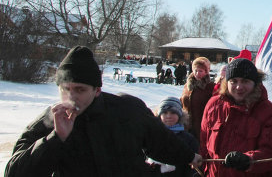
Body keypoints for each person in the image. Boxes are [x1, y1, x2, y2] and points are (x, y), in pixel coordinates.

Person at [5, 46, 202, 177]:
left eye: (80, 90)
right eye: (65, 89)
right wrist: (55, 138)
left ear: (97, 90)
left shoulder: (126, 109)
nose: (71, 97)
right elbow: (14, 171)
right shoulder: (50, 121)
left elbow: (160, 141)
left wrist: (189, 156)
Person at [200, 58, 272, 177]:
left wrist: (249, 160)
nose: (239, 87)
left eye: (245, 81)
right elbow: (203, 143)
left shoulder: (269, 112)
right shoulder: (213, 105)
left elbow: (271, 153)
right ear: (226, 82)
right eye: (234, 81)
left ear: (255, 83)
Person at [148, 97, 200, 177]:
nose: (168, 116)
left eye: (173, 112)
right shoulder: (152, 136)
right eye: (165, 113)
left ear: (179, 115)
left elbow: (193, 166)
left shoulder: (188, 139)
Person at [180, 57, 215, 141]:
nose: (197, 73)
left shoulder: (210, 87)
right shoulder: (187, 86)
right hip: (186, 126)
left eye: (200, 71)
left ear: (206, 72)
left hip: (202, 126)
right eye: (195, 70)